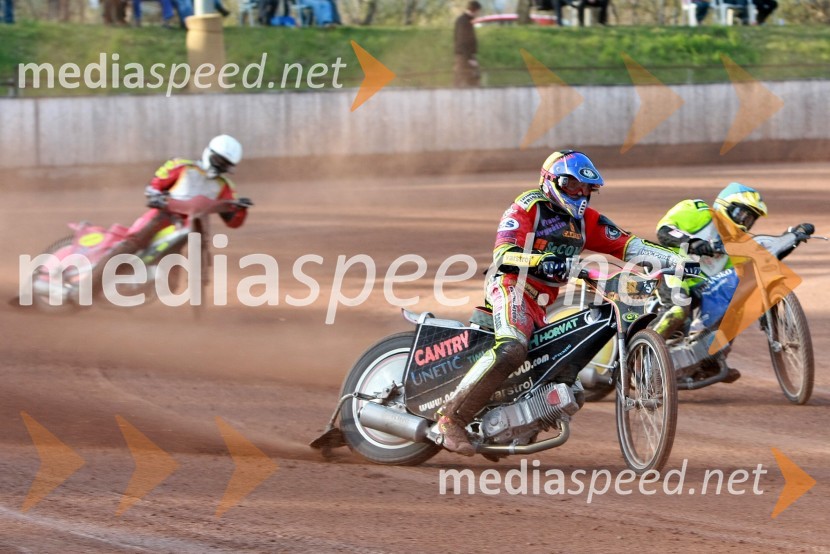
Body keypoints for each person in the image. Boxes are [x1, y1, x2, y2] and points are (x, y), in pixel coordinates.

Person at [436, 150, 689, 456]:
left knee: (562, 376)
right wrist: (543, 261)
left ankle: (505, 428)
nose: (580, 194)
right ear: (552, 181)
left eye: (585, 189)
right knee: (512, 347)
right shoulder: (527, 207)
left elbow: (628, 244)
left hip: (542, 303)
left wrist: (677, 259)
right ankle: (451, 419)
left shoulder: (586, 222)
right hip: (511, 287)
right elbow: (503, 254)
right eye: (572, 186)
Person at [90, 135, 252, 290]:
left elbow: (233, 222)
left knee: (171, 285)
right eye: (218, 161)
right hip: (163, 217)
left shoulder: (225, 186)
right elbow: (155, 185)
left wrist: (240, 209)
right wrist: (156, 196)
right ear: (209, 153)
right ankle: (87, 287)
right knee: (133, 244)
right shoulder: (181, 166)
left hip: (188, 229)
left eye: (225, 165)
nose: (219, 167)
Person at [454, 1, 481, 88]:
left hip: (465, 56)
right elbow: (463, 41)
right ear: (475, 10)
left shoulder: (464, 20)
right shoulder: (464, 21)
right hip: (464, 57)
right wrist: (470, 58)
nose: (478, 14)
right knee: (467, 79)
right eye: (478, 12)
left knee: (470, 79)